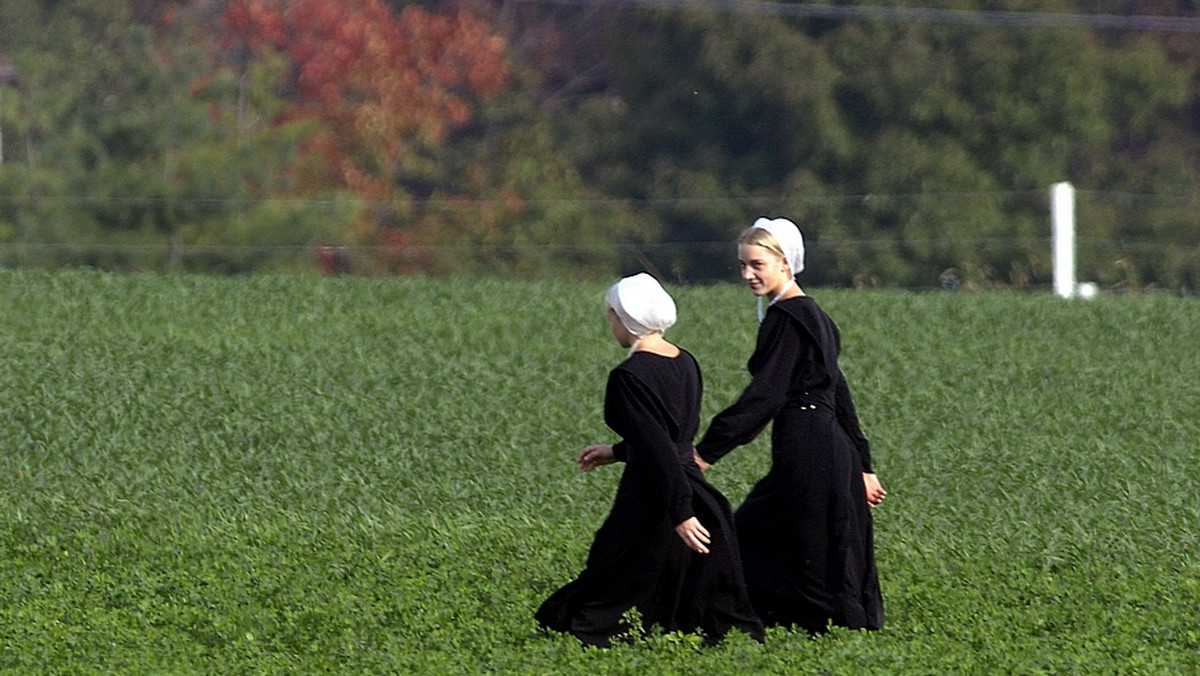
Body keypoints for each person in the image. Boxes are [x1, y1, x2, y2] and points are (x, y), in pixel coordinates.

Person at [536, 273, 765, 648]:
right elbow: (668, 437)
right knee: (665, 568)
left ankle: (593, 633)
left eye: (611, 316)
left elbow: (658, 448)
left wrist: (681, 512)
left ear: (626, 319)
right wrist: (616, 452)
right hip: (688, 479)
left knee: (615, 567)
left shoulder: (629, 375)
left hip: (652, 491)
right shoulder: (685, 361)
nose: (610, 324)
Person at [694, 218, 886, 634]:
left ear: (785, 263)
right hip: (828, 444)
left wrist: (707, 452)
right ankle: (813, 623)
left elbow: (764, 397)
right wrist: (862, 463)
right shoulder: (814, 316)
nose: (748, 274)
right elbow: (841, 394)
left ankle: (752, 619)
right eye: (743, 266)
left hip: (807, 445)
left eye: (757, 264)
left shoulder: (786, 320)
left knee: (754, 533)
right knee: (805, 535)